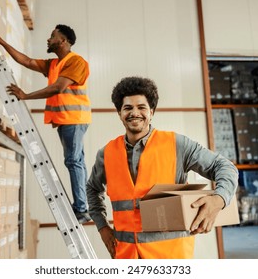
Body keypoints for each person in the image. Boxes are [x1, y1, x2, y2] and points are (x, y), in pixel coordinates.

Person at [86, 76, 239, 259]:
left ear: (152, 112)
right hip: (127, 256)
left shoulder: (177, 145)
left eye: (141, 107)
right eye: (128, 108)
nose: (135, 113)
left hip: (170, 258)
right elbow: (92, 189)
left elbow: (224, 167)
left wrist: (219, 199)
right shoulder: (106, 153)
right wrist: (103, 228)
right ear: (119, 113)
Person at [0, 24, 92, 224]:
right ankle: (82, 206)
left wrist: (26, 96)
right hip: (65, 120)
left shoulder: (77, 62)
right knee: (76, 161)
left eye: (52, 36)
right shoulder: (54, 65)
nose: (48, 39)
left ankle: (82, 209)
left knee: (73, 161)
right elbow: (25, 61)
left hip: (74, 120)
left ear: (63, 41)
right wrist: (0, 41)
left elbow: (58, 88)